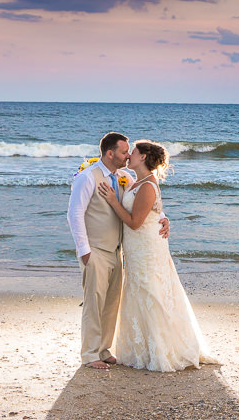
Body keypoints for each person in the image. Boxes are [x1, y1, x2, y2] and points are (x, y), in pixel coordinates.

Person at [97, 139, 216, 372]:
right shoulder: (134, 180)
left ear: (143, 157)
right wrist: (164, 216)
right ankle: (141, 349)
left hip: (147, 248)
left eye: (134, 151)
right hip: (137, 248)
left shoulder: (148, 185)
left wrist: (112, 201)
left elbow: (134, 222)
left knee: (153, 291)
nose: (129, 154)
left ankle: (161, 350)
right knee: (139, 290)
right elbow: (153, 209)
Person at [66, 132, 169, 369]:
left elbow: (144, 201)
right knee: (94, 303)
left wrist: (163, 217)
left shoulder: (123, 176)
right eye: (124, 152)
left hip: (117, 251)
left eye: (129, 152)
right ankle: (89, 355)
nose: (127, 156)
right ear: (110, 153)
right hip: (95, 250)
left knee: (111, 302)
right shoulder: (87, 177)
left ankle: (103, 350)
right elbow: (75, 214)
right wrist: (84, 250)